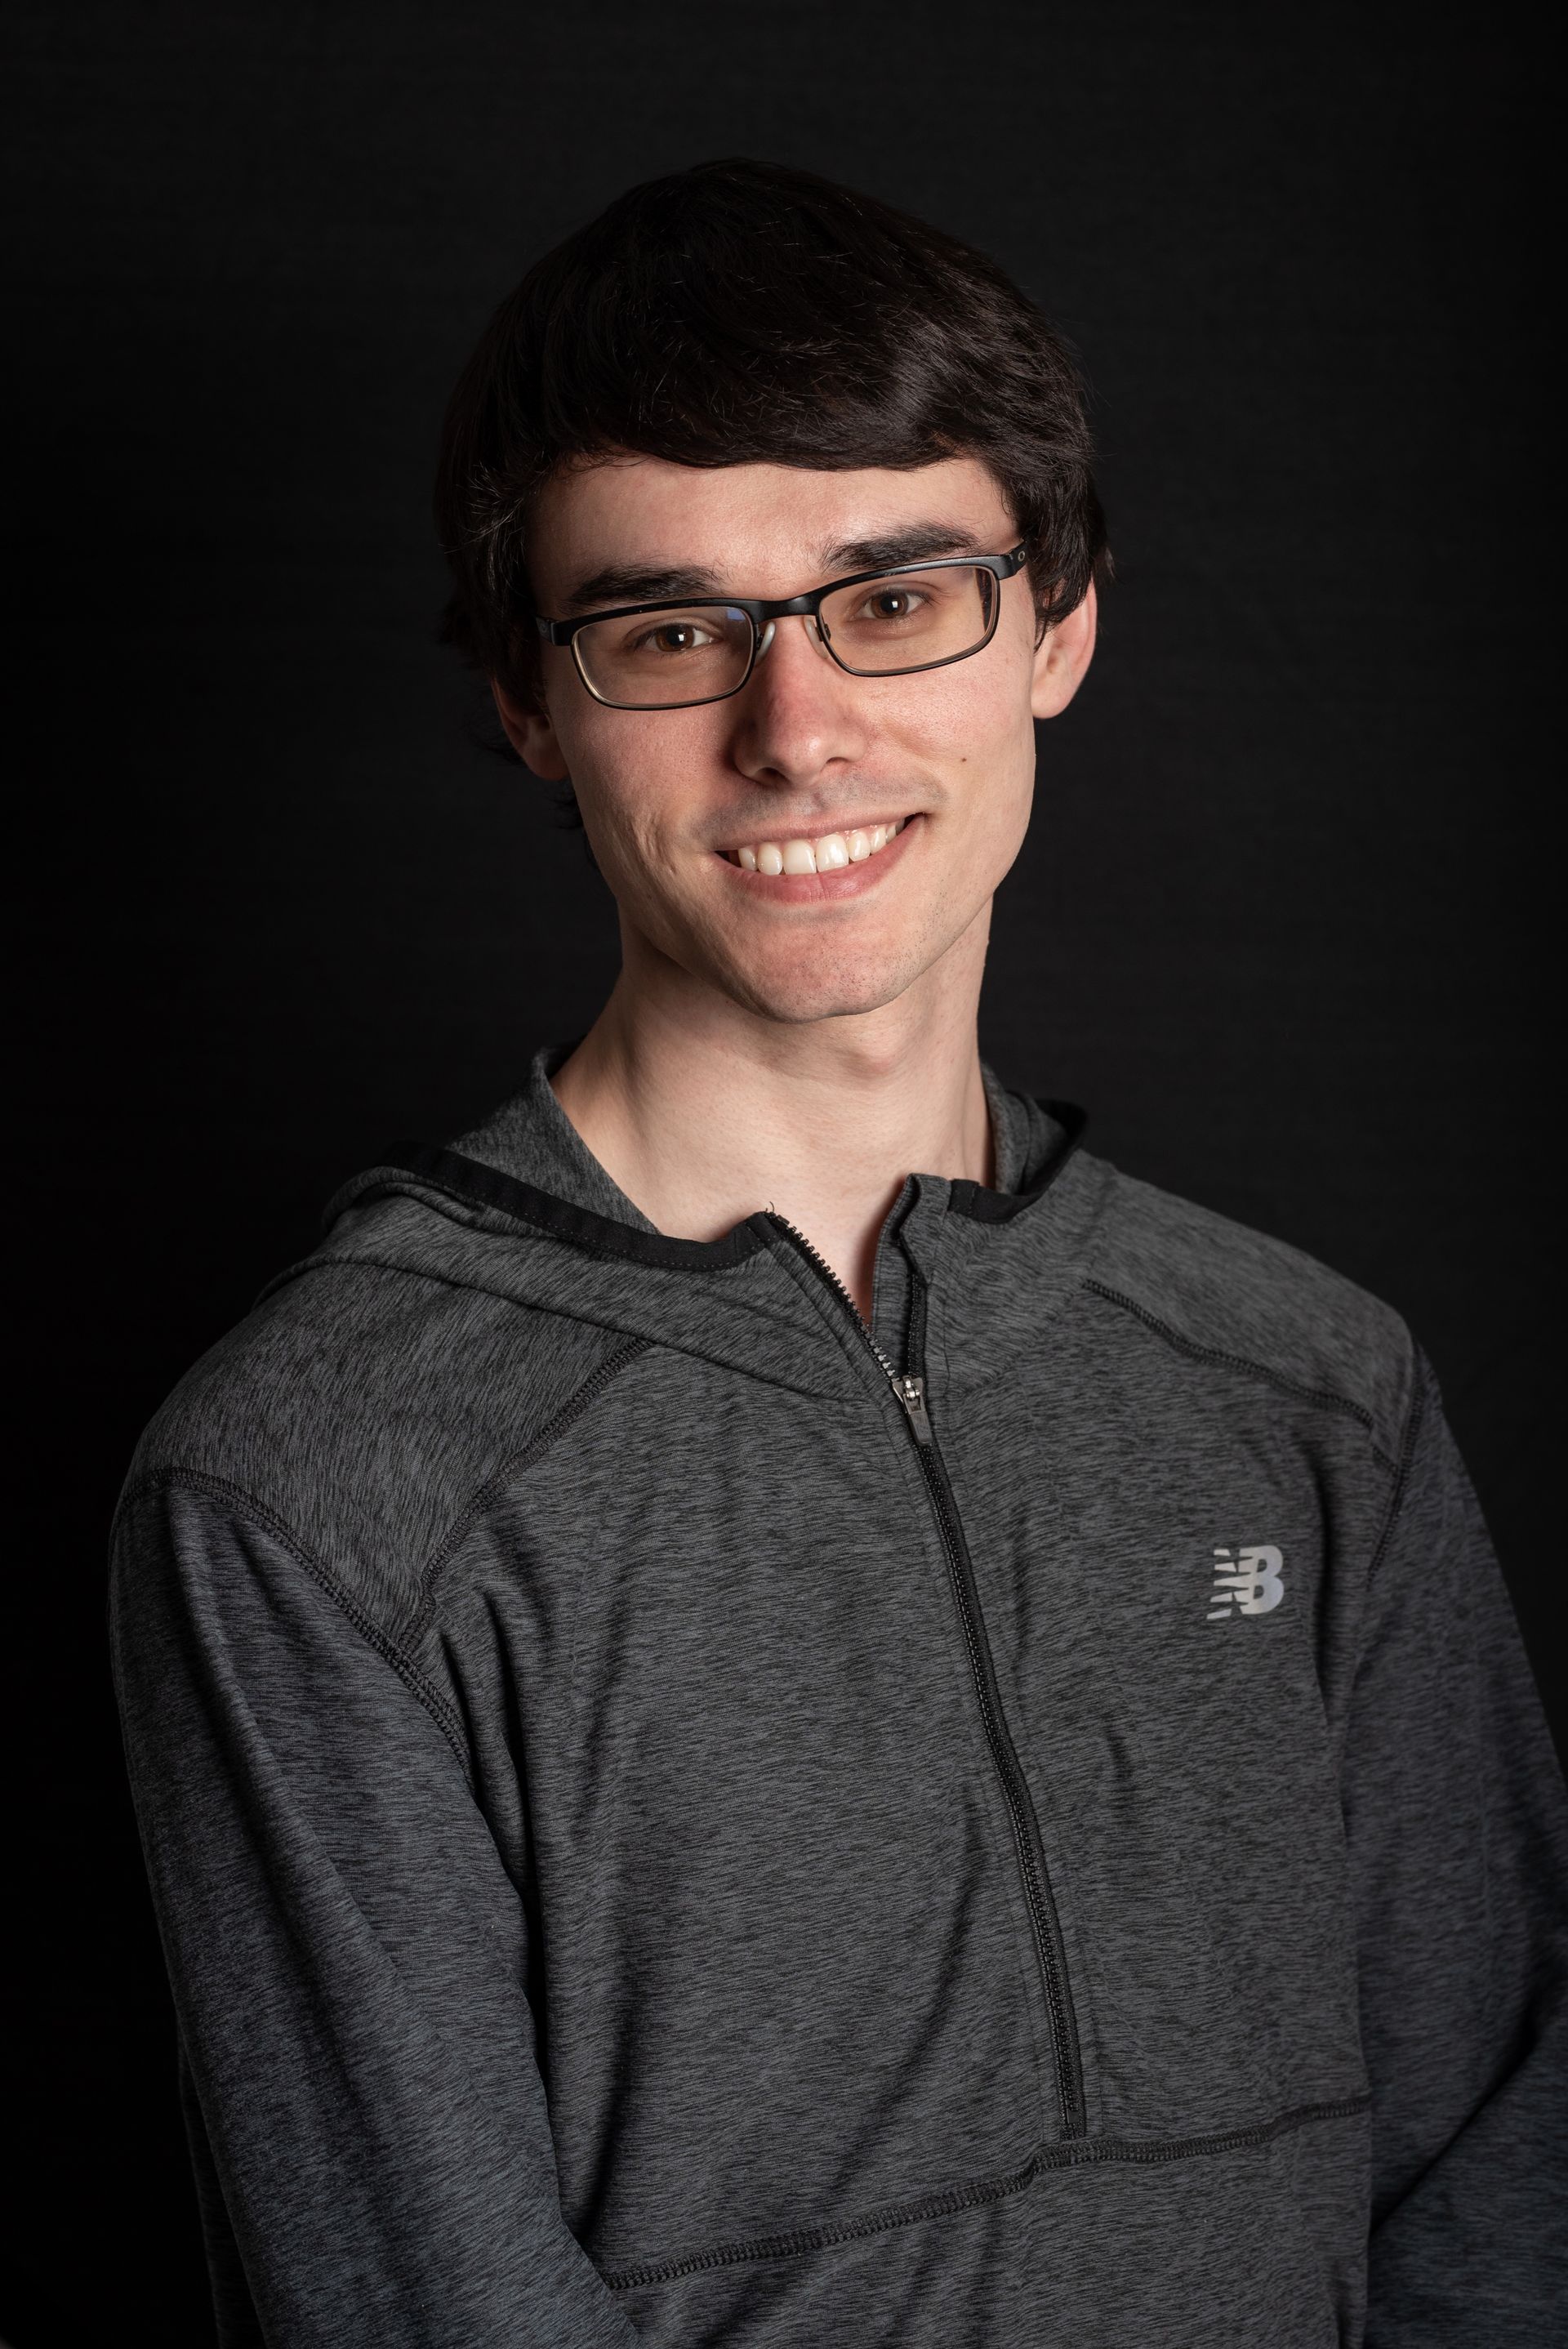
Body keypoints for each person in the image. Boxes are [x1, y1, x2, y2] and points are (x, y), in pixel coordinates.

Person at [109, 157, 1567, 2347]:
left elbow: (1500, 2181)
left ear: (1060, 623)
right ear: (530, 701)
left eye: (895, 599)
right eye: (670, 629)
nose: (797, 730)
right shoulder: (308, 1488)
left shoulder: (1310, 1386)